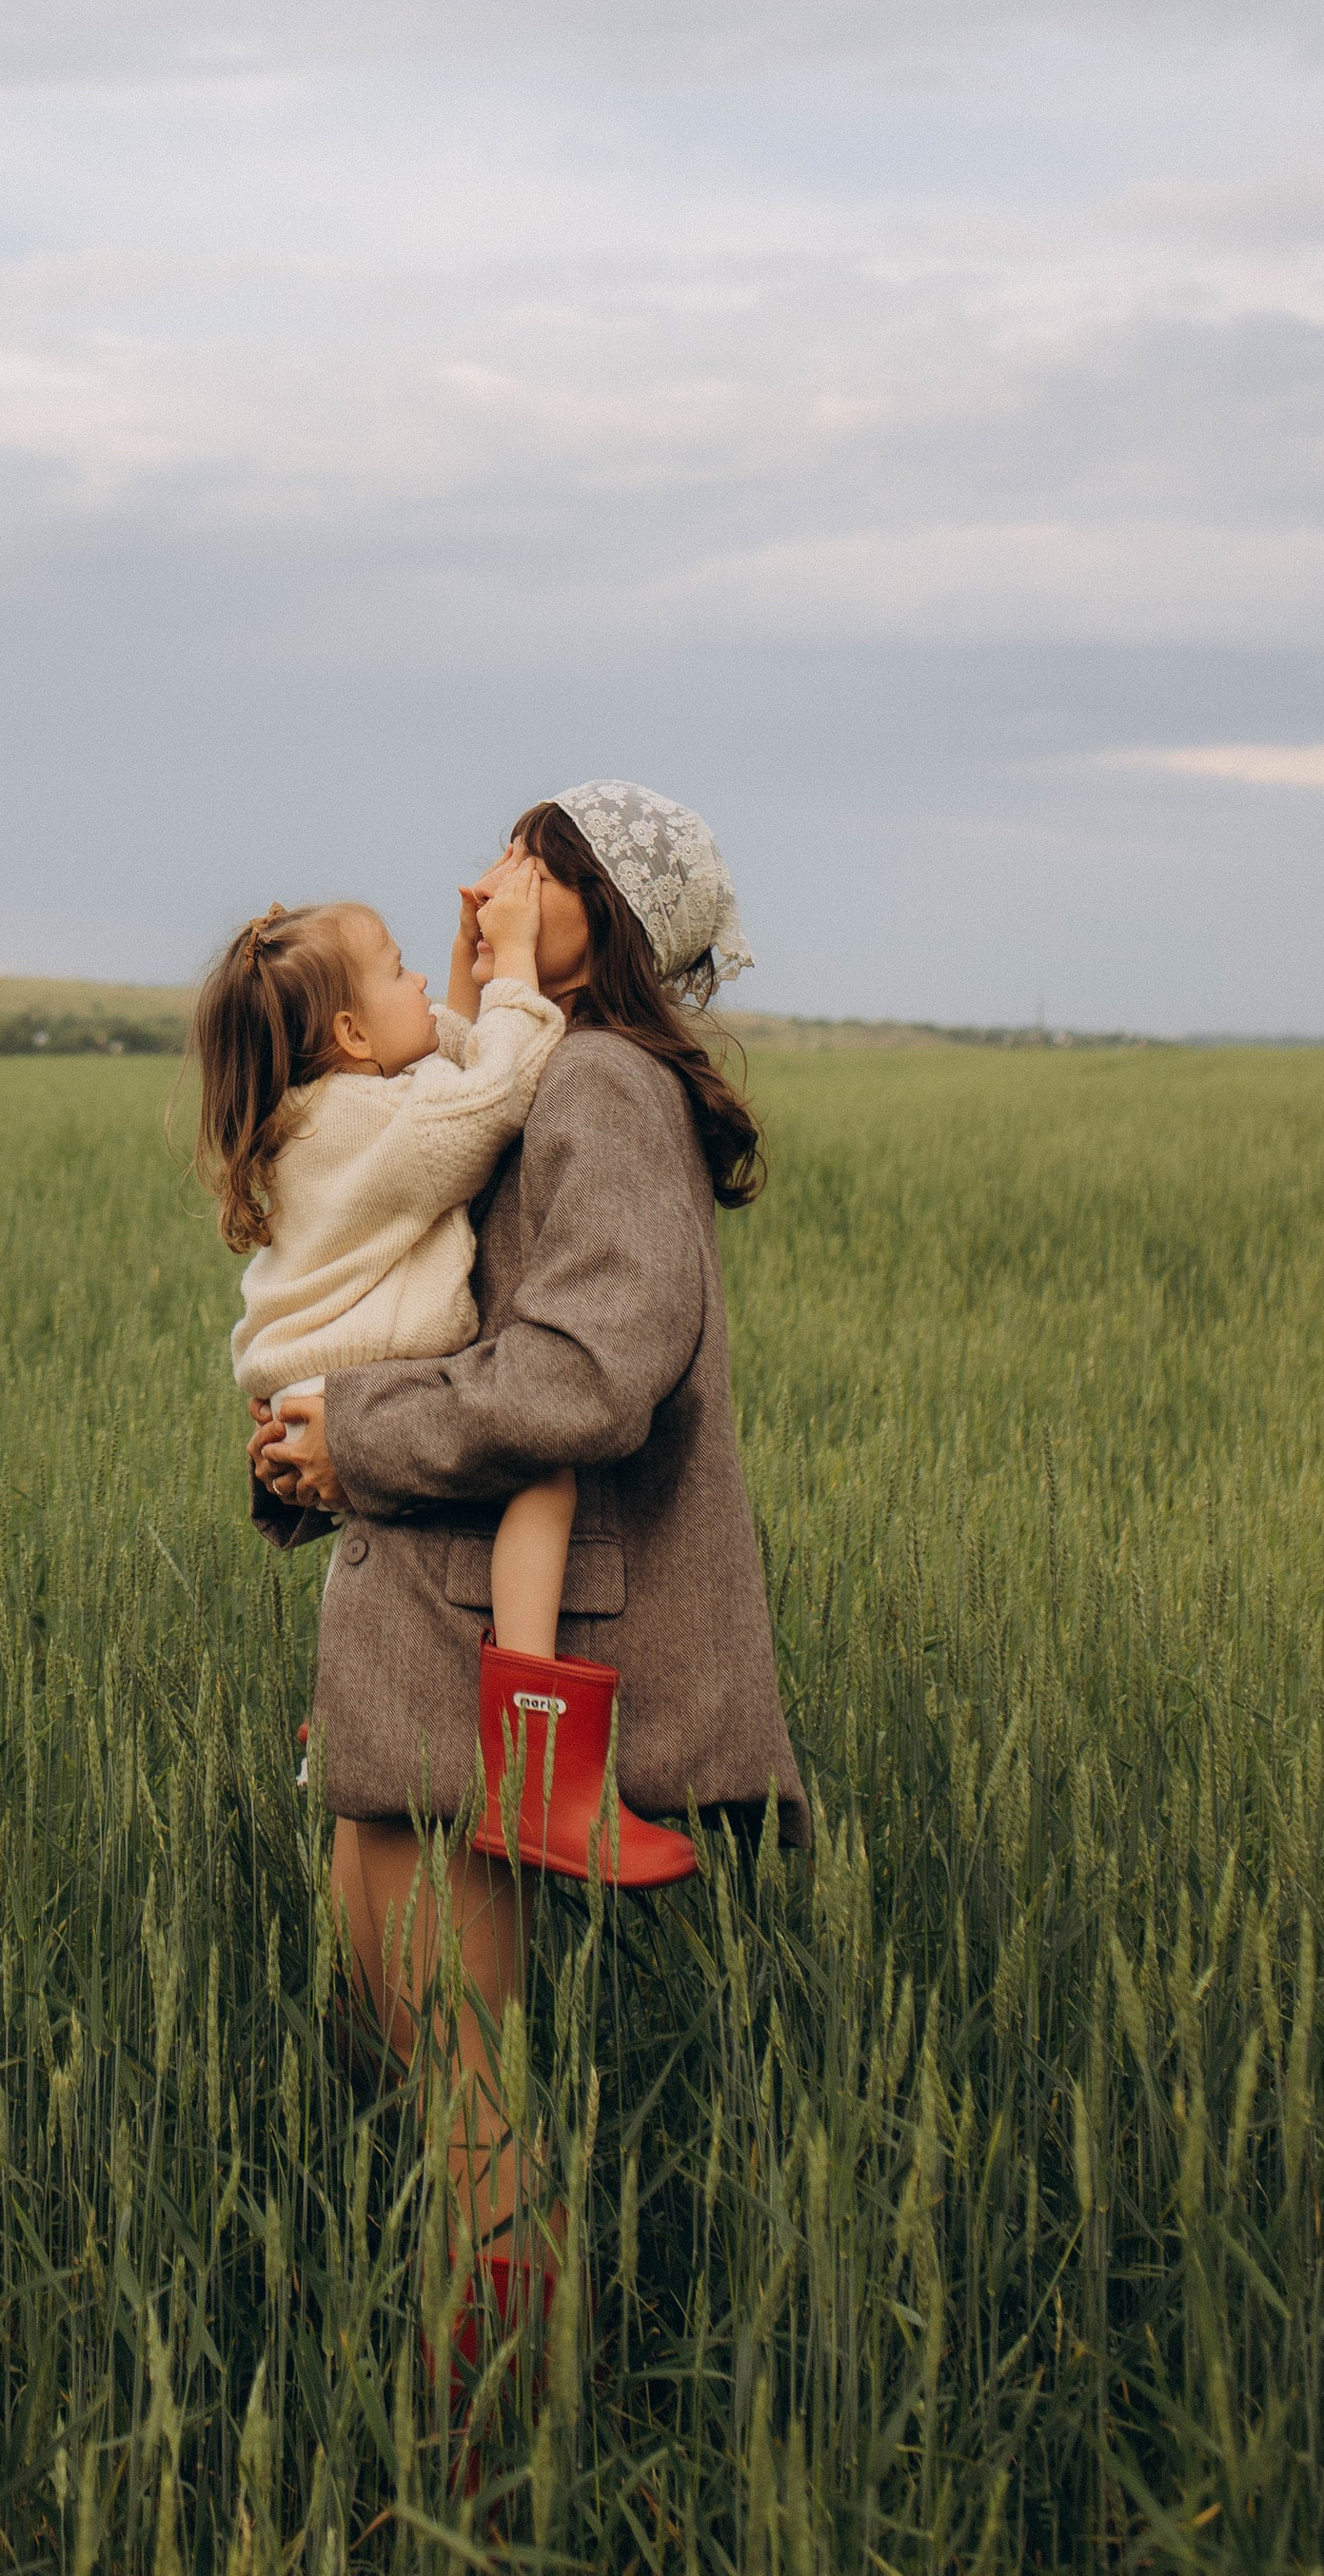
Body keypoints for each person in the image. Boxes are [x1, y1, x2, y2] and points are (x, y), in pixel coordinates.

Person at [248, 781, 808, 2323]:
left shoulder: (603, 1086)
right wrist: (315, 1453)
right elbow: (448, 1335)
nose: (488, 873)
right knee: (433, 2100)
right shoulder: (527, 1071)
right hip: (415, 1651)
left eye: (531, 855)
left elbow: (582, 1376)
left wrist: (353, 1434)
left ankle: (497, 2499)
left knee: (475, 2126)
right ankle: (485, 2465)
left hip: (472, 1674)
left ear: (599, 914)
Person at [192, 874, 583, 1672]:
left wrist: (460, 956)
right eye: (403, 970)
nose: (424, 988)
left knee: (386, 1546)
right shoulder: (371, 1125)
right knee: (541, 1474)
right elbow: (494, 1093)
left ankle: (367, 1692)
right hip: (356, 1382)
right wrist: (511, 961)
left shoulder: (327, 1112)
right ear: (352, 1034)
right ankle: (534, 1691)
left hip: (315, 1379)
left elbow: (440, 1055)